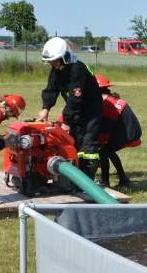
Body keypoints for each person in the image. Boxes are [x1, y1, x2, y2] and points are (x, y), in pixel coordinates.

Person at [37, 37, 104, 177]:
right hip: (76, 111)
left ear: (64, 57)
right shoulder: (57, 70)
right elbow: (51, 88)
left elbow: (75, 99)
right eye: (50, 61)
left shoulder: (77, 69)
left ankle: (88, 180)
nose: (52, 64)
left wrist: (66, 121)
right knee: (75, 142)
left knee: (87, 145)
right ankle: (75, 176)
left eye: (54, 60)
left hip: (91, 112)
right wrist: (45, 108)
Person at [95, 74, 142, 189]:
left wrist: (100, 141)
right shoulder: (111, 99)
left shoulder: (107, 103)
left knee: (103, 150)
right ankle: (123, 178)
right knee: (108, 150)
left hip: (128, 132)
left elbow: (106, 126)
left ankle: (105, 182)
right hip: (130, 130)